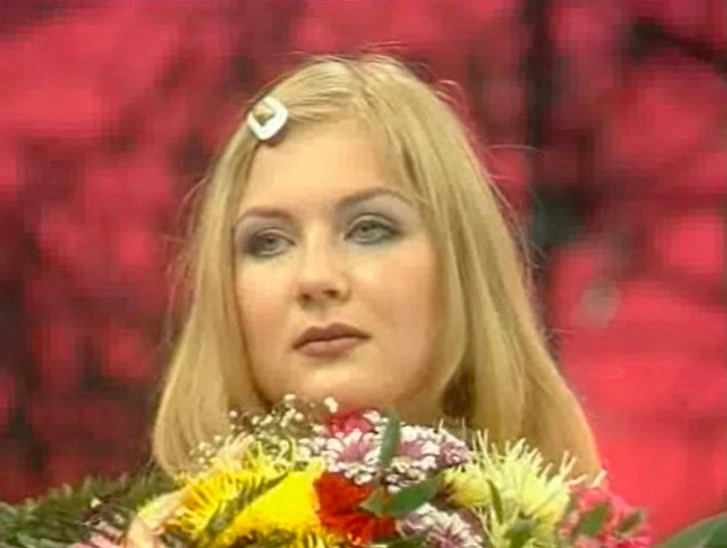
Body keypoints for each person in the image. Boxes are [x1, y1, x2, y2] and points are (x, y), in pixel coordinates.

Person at [150, 53, 603, 487]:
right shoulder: (160, 531)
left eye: (369, 230)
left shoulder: (577, 528)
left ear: (462, 263)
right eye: (269, 243)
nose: (315, 279)